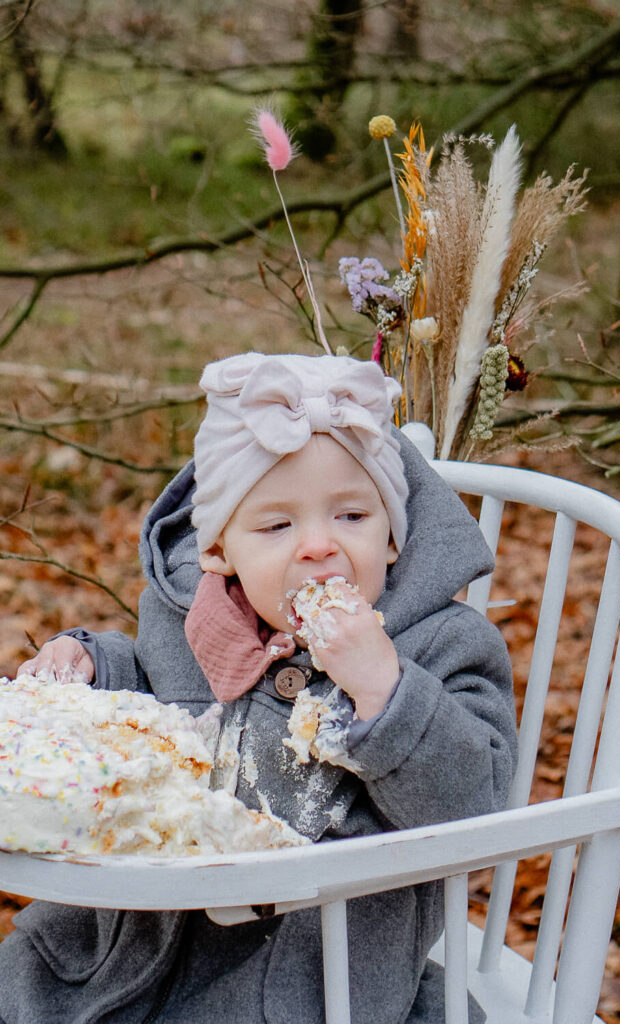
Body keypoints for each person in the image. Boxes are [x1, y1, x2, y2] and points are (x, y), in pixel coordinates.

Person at [0, 352, 517, 1024]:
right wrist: (92, 667)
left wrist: (386, 691)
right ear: (217, 550)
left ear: (392, 536)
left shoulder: (442, 645)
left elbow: (472, 807)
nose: (318, 546)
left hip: (311, 975)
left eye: (353, 516)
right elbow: (156, 697)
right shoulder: (192, 617)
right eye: (277, 526)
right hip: (120, 945)